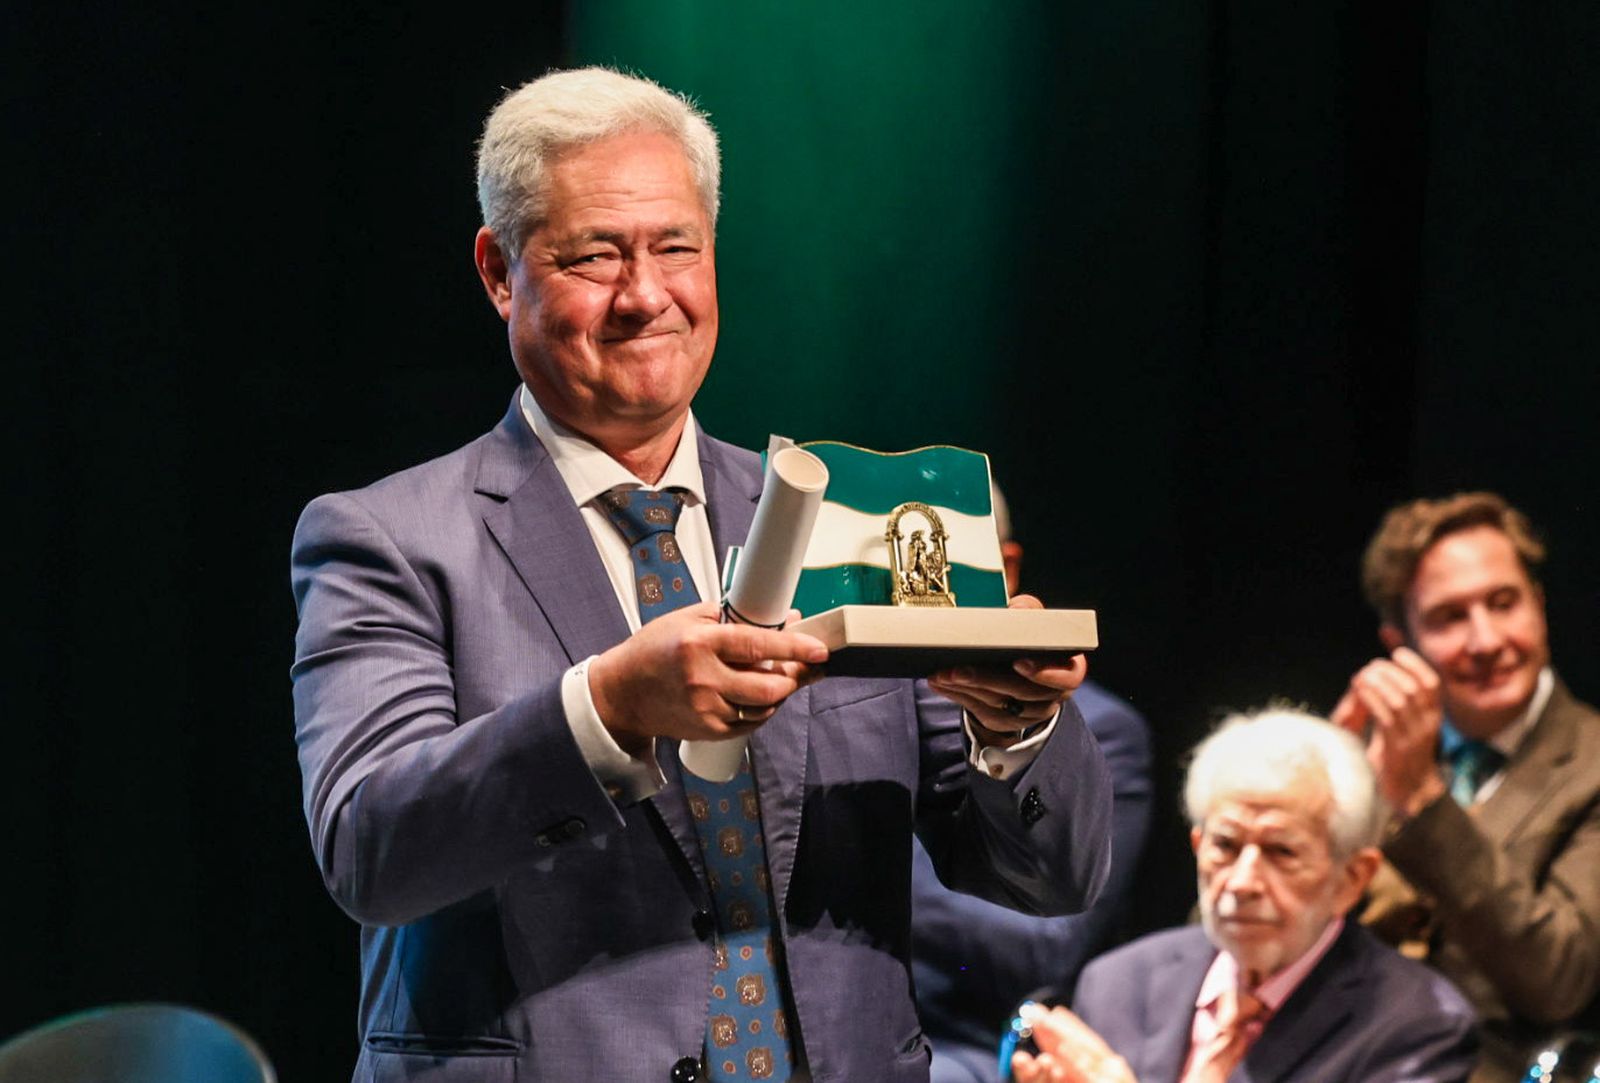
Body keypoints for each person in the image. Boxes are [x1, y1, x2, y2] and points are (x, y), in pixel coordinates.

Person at [289, 67, 1113, 1083]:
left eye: (675, 247)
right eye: (594, 255)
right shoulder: (388, 538)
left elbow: (1051, 879)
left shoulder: (835, 521)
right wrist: (606, 708)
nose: (645, 296)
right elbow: (370, 848)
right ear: (500, 271)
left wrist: (1015, 726)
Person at [1010, 708, 1478, 1083]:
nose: (1241, 882)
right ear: (1198, 847)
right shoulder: (1117, 983)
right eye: (1226, 846)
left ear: (1353, 878)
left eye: (1282, 851)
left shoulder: (1417, 1025)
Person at [1332, 492, 1600, 1082]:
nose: (1485, 640)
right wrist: (1312, 812)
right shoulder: (1361, 748)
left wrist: (1426, 803)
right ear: (1399, 643)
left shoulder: (1592, 763)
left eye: (1504, 604)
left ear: (1540, 605)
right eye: (1450, 617)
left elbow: (1560, 980)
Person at [911, 486, 1154, 1083]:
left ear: (1006, 568)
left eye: (935, 564)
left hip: (966, 1043)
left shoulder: (1102, 731)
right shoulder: (838, 702)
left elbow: (1045, 945)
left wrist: (862, 880)